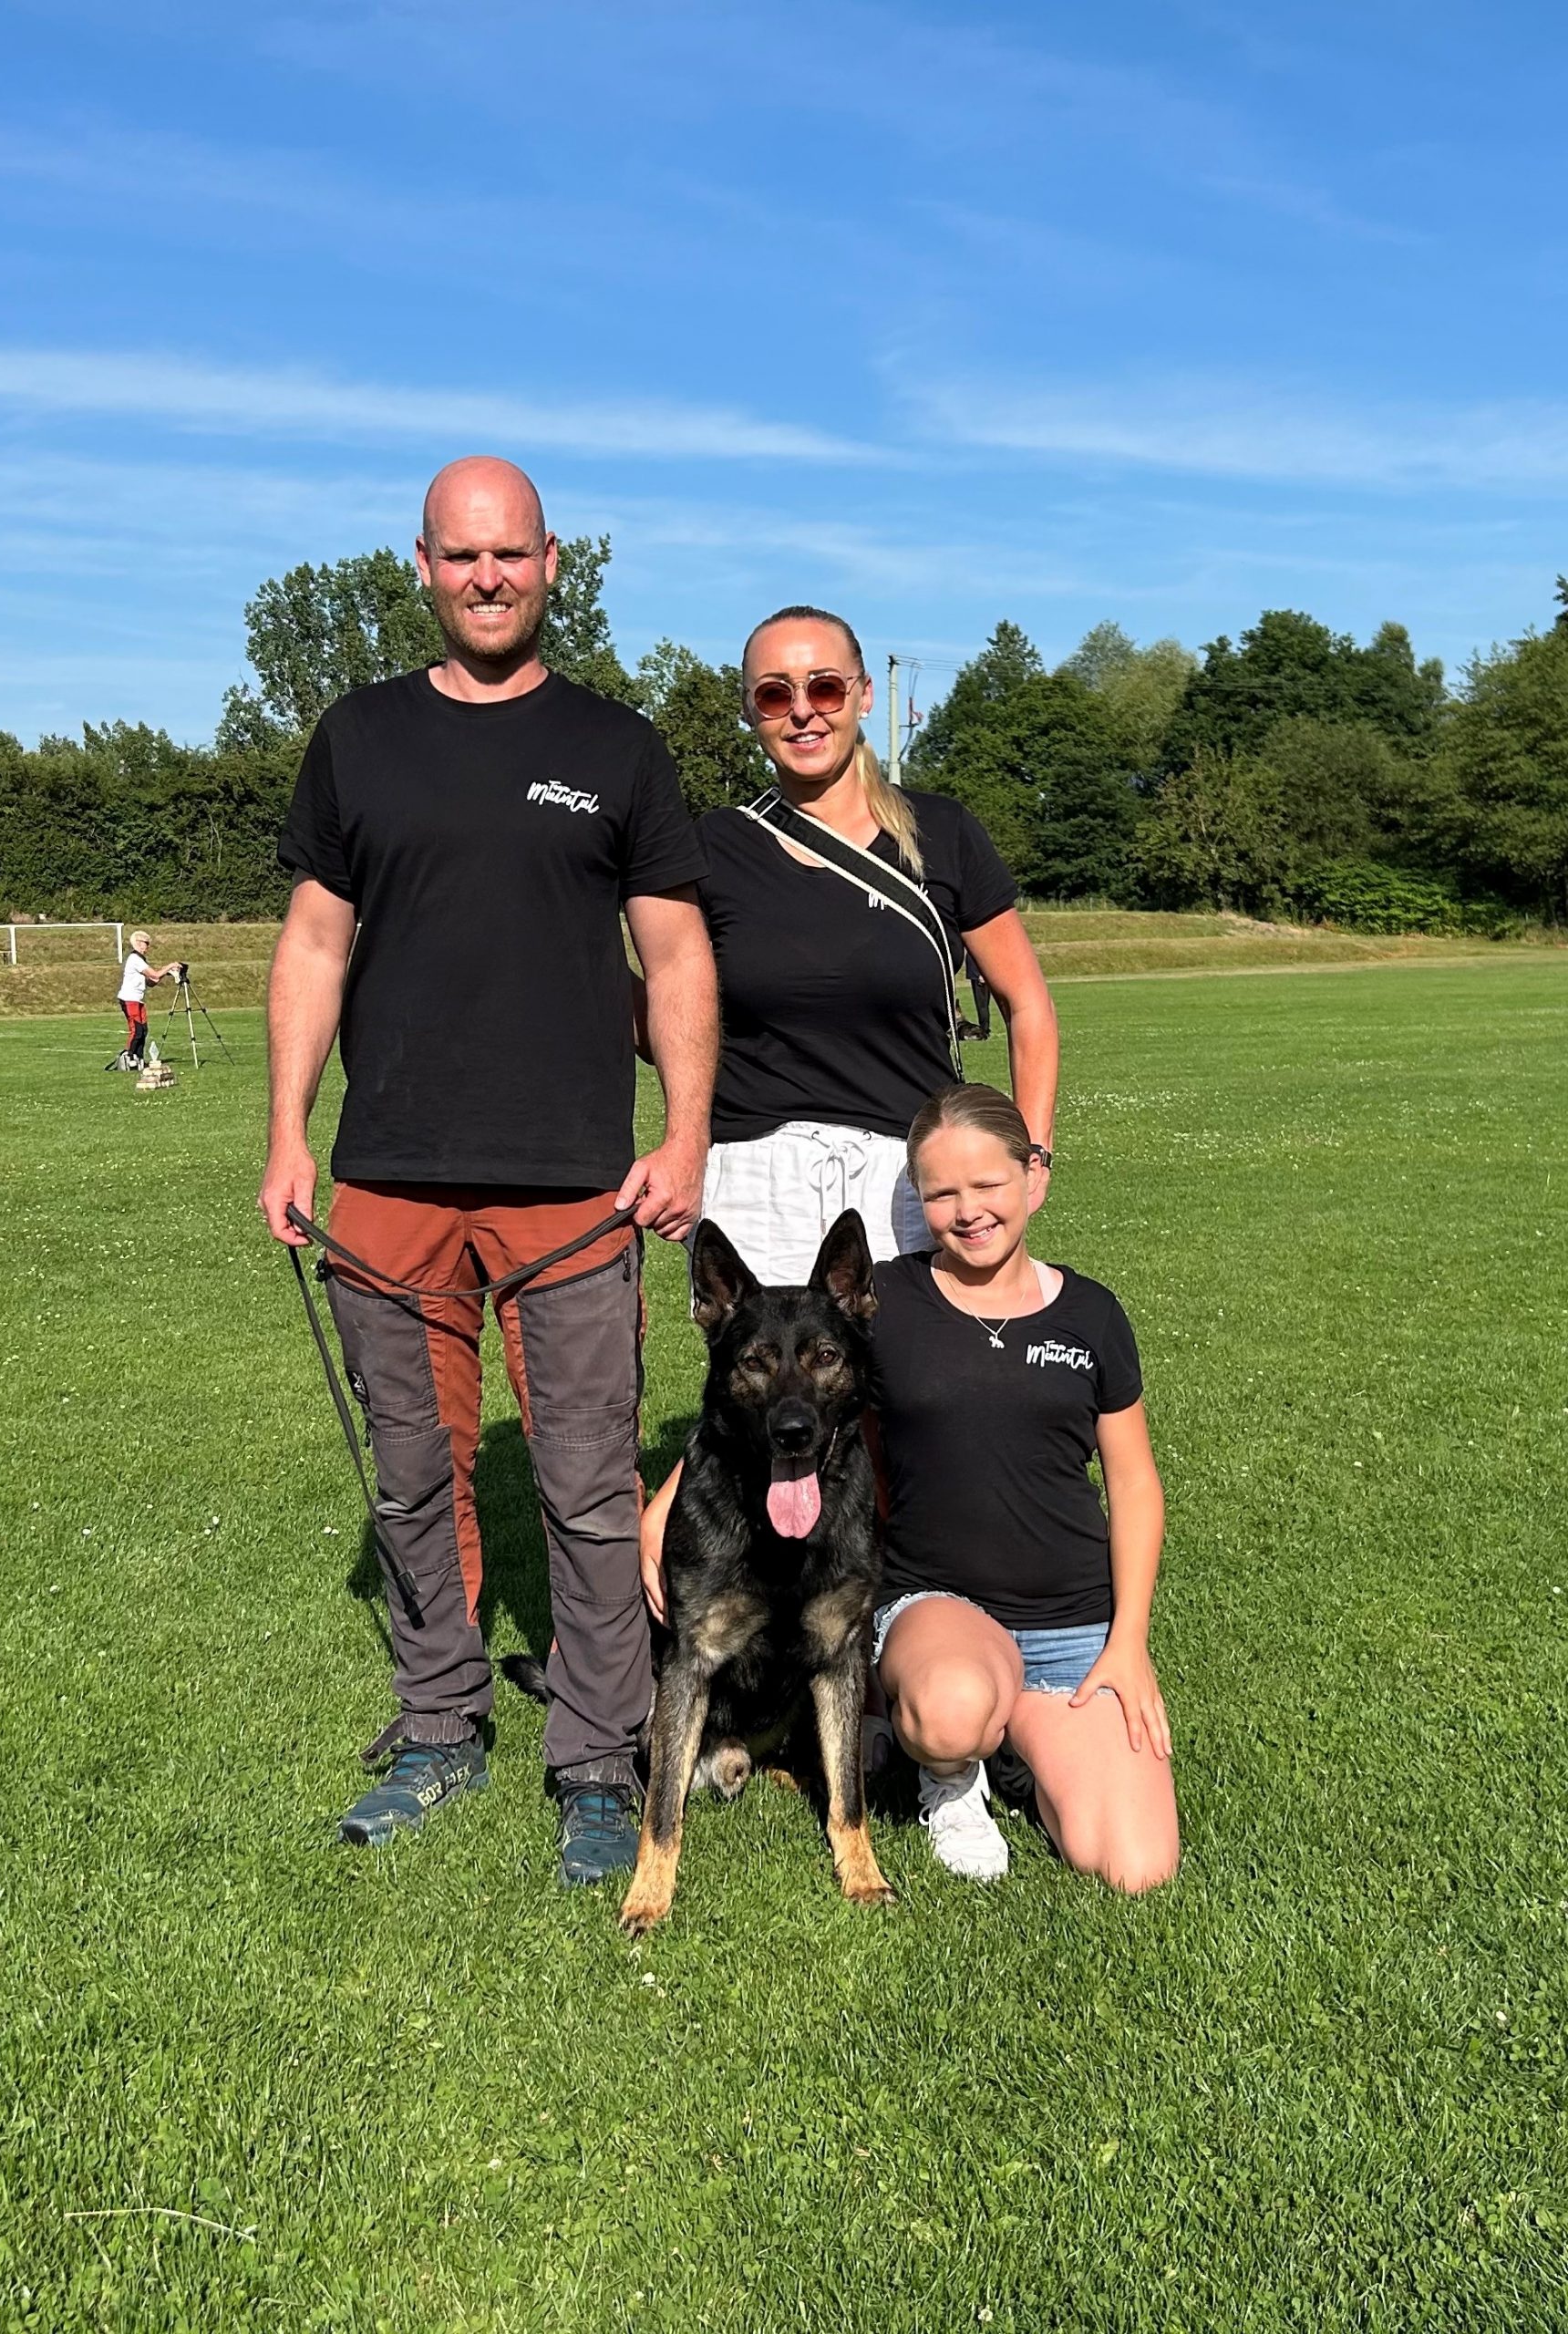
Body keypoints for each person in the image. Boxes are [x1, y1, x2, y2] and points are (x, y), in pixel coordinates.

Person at [260, 454, 717, 1887]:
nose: (487, 577)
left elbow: (677, 954)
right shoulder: (358, 739)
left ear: (552, 561)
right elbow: (314, 942)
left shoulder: (619, 747)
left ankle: (598, 1755)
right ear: (422, 566)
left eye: (509, 552)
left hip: (572, 1183)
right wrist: (287, 1131)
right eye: (461, 556)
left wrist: (685, 1133)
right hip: (390, 1175)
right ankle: (439, 1723)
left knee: (585, 1484)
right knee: (412, 1478)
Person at [869, 1081, 1179, 1894]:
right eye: (941, 1193)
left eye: (988, 1184)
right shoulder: (885, 1301)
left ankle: (1013, 1742)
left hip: (1074, 1625)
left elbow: (1134, 1485)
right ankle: (951, 1773)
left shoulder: (1093, 1314)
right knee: (949, 1708)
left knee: (1134, 1865)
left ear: (1033, 1177)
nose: (968, 1211)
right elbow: (787, 1397)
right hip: (939, 1605)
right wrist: (671, 1500)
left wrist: (1128, 1642)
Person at [695, 604, 1057, 1284]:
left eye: (825, 687)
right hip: (755, 1186)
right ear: (749, 712)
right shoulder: (712, 845)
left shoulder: (942, 831)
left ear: (863, 695)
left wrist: (1031, 1153)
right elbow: (673, 1015)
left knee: (920, 1357)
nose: (803, 711)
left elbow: (1027, 1003)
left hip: (911, 1178)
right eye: (774, 694)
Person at [112, 929, 180, 1068]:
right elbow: (154, 975)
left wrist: (166, 973)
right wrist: (169, 966)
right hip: (130, 998)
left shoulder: (141, 960)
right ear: (138, 943)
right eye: (146, 943)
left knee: (143, 1030)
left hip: (138, 999)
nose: (148, 946)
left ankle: (139, 1058)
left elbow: (151, 982)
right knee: (136, 1030)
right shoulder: (135, 959)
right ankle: (129, 1056)